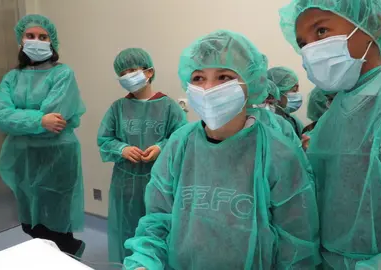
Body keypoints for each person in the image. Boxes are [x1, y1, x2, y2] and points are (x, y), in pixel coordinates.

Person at [123, 30, 320, 270]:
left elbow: (296, 242)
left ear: (251, 82)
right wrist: (144, 263)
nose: (208, 88)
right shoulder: (180, 144)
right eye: (198, 78)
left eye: (224, 77)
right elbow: (157, 221)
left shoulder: (277, 153)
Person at [280, 0, 381, 269]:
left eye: (321, 31)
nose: (311, 49)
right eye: (303, 43)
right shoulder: (329, 120)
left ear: (372, 24)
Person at [0, 14, 86, 257]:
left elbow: (57, 117)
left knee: (58, 225)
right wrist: (39, 120)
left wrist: (22, 119)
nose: (36, 41)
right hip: (22, 158)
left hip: (57, 157)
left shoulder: (63, 74)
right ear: (21, 41)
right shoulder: (12, 77)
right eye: (30, 36)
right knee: (31, 222)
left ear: (52, 42)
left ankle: (67, 255)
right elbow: (0, 114)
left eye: (43, 37)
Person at [97, 48, 187, 263]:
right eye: (123, 72)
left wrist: (161, 147)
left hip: (160, 182)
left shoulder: (168, 106)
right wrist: (122, 149)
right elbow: (105, 139)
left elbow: (182, 138)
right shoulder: (118, 108)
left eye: (133, 70)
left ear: (148, 72)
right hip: (125, 184)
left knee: (158, 228)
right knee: (126, 229)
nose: (128, 76)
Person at [267, 67, 304, 138]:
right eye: (294, 91)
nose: (297, 94)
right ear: (275, 92)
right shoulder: (267, 123)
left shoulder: (293, 121)